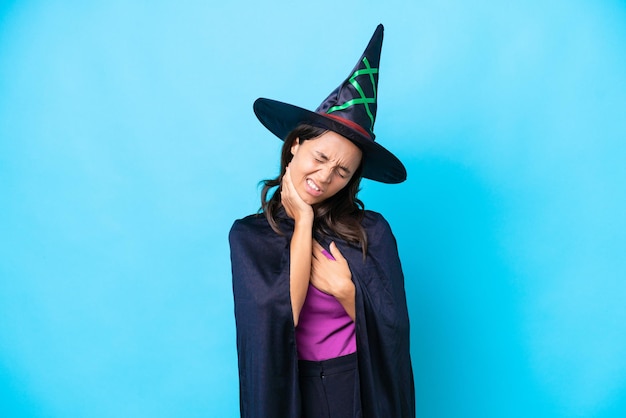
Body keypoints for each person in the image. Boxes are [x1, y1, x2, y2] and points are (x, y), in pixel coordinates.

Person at [229, 24, 415, 418]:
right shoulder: (249, 236)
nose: (326, 177)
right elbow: (277, 325)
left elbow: (394, 330)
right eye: (320, 158)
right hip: (289, 389)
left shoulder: (372, 231)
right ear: (296, 144)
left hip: (354, 384)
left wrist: (348, 292)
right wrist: (304, 224)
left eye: (343, 172)